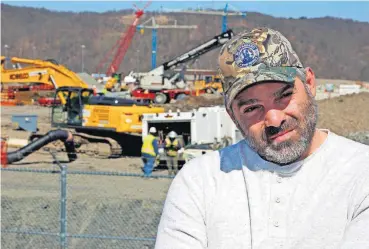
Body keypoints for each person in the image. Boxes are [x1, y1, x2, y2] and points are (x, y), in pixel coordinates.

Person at [155, 27, 369, 248]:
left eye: (285, 96)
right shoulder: (199, 181)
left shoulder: (361, 173)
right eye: (252, 108)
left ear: (310, 83)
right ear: (232, 115)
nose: (274, 119)